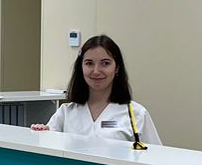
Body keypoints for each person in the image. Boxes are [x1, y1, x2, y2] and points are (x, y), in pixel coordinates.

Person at [32, 34, 162, 145]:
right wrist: (40, 133)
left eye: (105, 63)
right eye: (89, 63)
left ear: (117, 68)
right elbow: (47, 147)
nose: (96, 71)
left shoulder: (136, 114)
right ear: (81, 67)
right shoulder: (65, 113)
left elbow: (155, 158)